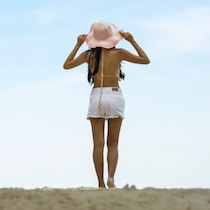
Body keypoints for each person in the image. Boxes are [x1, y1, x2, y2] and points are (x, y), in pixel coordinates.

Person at [63, 21, 150, 189]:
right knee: (113, 143)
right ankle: (111, 178)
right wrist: (132, 41)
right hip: (115, 95)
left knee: (98, 144)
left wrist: (77, 45)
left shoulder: (88, 55)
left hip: (97, 96)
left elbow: (66, 65)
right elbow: (145, 60)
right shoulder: (119, 53)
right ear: (112, 38)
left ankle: (101, 183)